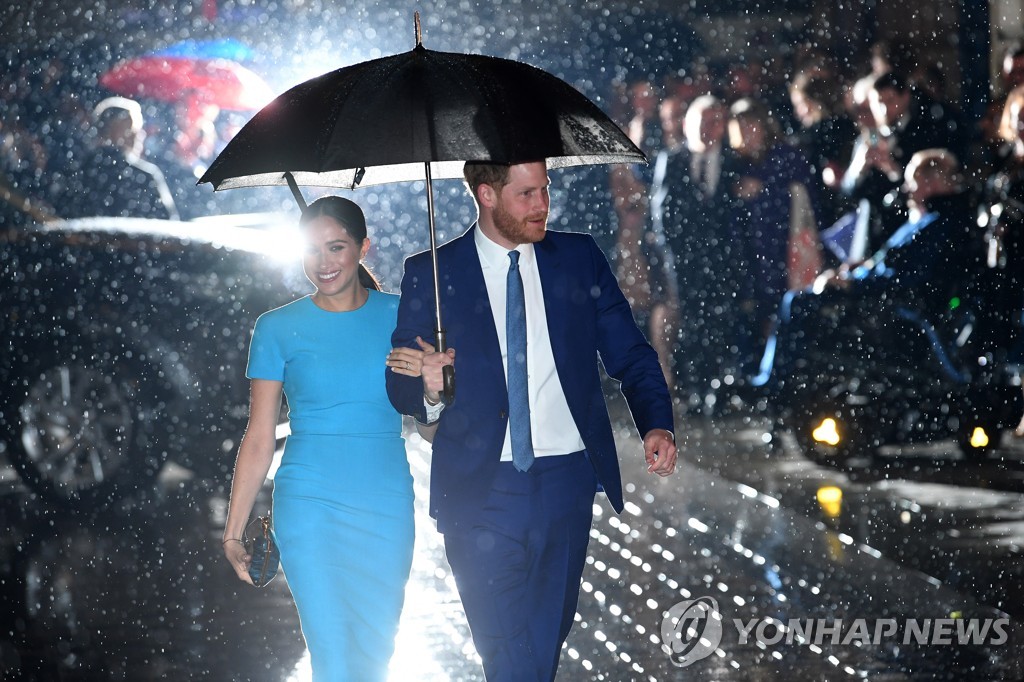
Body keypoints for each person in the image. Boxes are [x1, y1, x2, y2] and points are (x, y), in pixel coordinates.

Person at [386, 160, 677, 682]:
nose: (542, 204)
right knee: (505, 649)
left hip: (567, 481)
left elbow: (629, 353)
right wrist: (428, 386)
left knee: (544, 639)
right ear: (487, 195)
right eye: (526, 194)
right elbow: (400, 385)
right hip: (479, 489)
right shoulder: (432, 272)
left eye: (544, 190)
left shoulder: (579, 259)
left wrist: (656, 421)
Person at [221, 196, 431, 681]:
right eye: (312, 250)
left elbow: (433, 429)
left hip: (386, 504)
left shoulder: (406, 320)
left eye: (336, 247)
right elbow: (258, 436)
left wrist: (435, 387)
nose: (323, 262)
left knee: (375, 658)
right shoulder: (275, 328)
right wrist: (233, 531)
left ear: (363, 247)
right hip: (308, 505)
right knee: (333, 658)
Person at [649, 94, 744, 409]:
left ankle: (720, 388)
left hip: (725, 261)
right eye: (702, 121)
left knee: (722, 321)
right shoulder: (672, 160)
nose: (709, 128)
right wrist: (675, 256)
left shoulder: (735, 162)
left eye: (715, 121)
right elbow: (662, 213)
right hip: (686, 261)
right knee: (690, 322)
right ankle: (692, 386)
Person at [61, 96, 178, 220]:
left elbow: (62, 215)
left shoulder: (78, 170)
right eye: (133, 129)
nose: (138, 135)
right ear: (114, 129)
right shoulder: (144, 176)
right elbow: (167, 224)